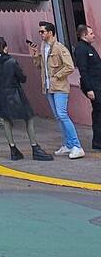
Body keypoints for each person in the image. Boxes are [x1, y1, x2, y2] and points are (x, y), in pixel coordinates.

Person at [0, 37, 53, 162]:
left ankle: (13, 149)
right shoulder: (12, 62)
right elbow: (22, 78)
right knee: (29, 117)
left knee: (6, 119)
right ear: (6, 48)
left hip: (0, 93)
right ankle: (35, 147)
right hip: (15, 93)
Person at [29, 21, 84, 159]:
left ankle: (77, 145)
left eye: (42, 31)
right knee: (58, 117)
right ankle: (68, 144)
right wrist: (35, 55)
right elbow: (40, 66)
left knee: (62, 114)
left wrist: (57, 75)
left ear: (50, 32)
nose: (40, 34)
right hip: (49, 88)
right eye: (40, 32)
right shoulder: (43, 47)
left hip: (59, 87)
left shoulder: (59, 48)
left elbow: (69, 66)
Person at [73, 24, 101, 151]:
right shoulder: (81, 49)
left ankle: (98, 141)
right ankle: (98, 142)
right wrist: (89, 89)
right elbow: (83, 70)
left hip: (98, 84)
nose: (93, 35)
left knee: (98, 112)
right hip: (93, 86)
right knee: (98, 113)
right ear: (84, 35)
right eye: (91, 33)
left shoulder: (90, 47)